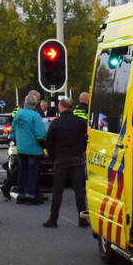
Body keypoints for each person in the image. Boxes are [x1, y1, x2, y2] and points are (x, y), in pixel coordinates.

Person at [43, 97, 89, 228]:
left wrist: (54, 156)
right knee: (79, 191)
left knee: (58, 191)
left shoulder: (56, 123)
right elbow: (86, 139)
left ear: (61, 107)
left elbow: (48, 142)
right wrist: (82, 151)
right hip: (77, 159)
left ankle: (53, 219)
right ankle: (82, 219)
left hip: (61, 159)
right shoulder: (81, 122)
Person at [11, 93, 47, 204]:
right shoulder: (35, 116)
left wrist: (18, 141)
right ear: (35, 103)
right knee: (32, 173)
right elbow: (40, 134)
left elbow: (12, 132)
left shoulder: (18, 114)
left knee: (23, 172)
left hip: (21, 149)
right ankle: (30, 196)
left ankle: (21, 195)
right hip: (33, 149)